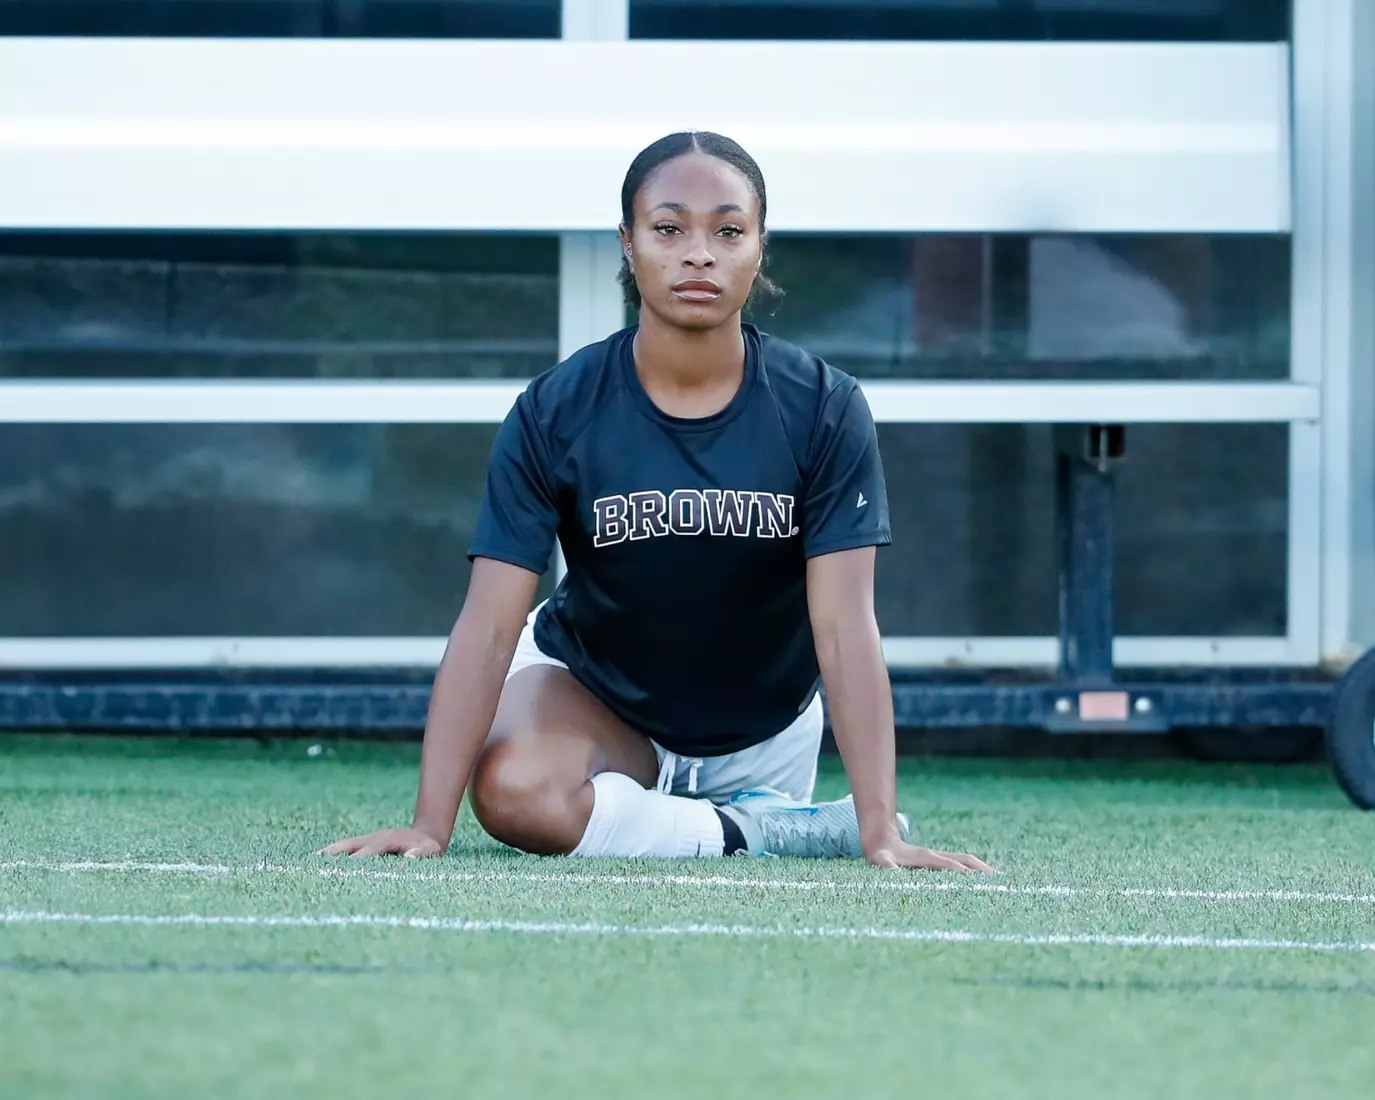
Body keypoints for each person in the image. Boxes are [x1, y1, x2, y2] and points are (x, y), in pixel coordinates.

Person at [322, 131, 995, 872]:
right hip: (599, 702)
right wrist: (429, 825)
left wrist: (878, 832)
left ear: (759, 246)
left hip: (761, 733)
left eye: (728, 230)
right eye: (668, 228)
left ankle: (752, 814)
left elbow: (843, 627)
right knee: (516, 790)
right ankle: (760, 834)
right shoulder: (556, 408)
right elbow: (488, 624)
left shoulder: (824, 408)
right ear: (628, 242)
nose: (698, 252)